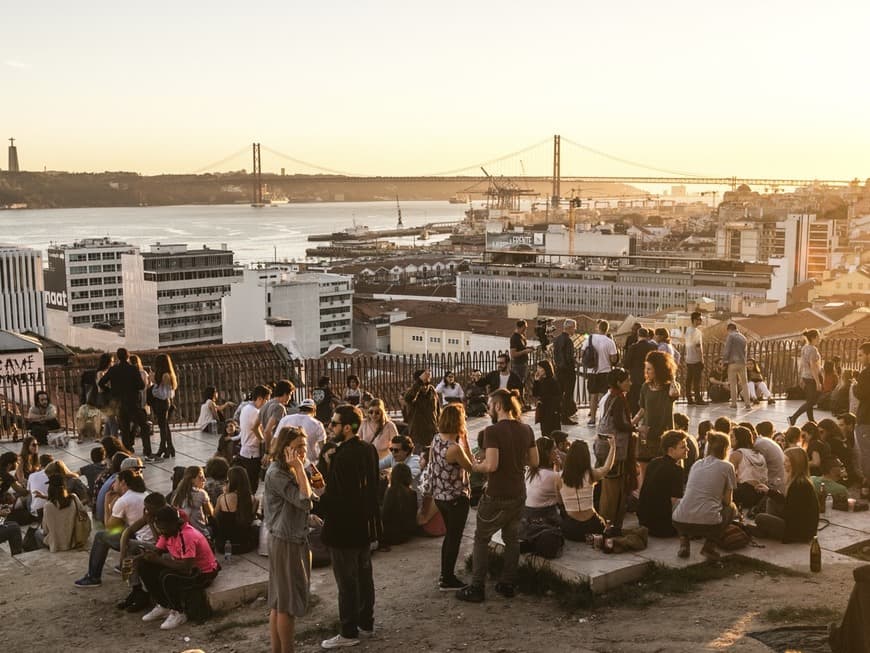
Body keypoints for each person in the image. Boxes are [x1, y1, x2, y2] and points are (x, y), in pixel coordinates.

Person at [457, 389, 538, 604]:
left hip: (496, 495)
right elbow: (535, 461)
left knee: (481, 539)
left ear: (499, 406)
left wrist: (476, 465)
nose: (488, 408)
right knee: (512, 539)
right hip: (518, 493)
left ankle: (477, 587)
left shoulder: (492, 431)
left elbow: (492, 465)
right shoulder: (527, 429)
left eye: (490, 404)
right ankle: (508, 583)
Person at [318, 405, 381, 649]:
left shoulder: (341, 456)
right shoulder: (368, 450)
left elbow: (335, 495)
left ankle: (348, 630)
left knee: (347, 582)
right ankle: (366, 623)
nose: (330, 427)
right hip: (363, 526)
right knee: (364, 578)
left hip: (343, 529)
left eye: (334, 423)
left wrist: (321, 489)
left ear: (347, 427)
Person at [264, 426, 315, 653]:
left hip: (286, 536)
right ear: (286, 448)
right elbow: (304, 500)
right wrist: (299, 469)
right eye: (298, 448)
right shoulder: (278, 472)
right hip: (286, 541)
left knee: (279, 602)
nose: (303, 452)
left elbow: (300, 503)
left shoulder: (285, 470)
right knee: (286, 604)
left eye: (304, 447)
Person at [138, 506, 220, 630]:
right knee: (144, 566)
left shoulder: (186, 535)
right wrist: (143, 558)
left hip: (203, 572)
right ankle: (163, 605)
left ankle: (179, 612)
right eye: (159, 528)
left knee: (167, 576)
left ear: (173, 524)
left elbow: (186, 567)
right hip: (187, 567)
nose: (161, 531)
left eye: (163, 528)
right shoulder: (168, 533)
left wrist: (159, 560)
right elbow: (157, 551)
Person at [75, 467, 151, 587]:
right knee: (123, 530)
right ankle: (121, 565)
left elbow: (109, 528)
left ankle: (93, 576)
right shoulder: (143, 493)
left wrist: (107, 503)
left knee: (101, 536)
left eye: (115, 481)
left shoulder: (124, 500)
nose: (113, 485)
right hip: (151, 540)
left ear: (123, 483)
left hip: (142, 544)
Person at [425, 402, 473, 591]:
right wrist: (466, 441)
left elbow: (430, 464)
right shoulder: (455, 448)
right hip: (456, 498)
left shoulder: (436, 439)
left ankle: (445, 574)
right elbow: (471, 467)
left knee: (449, 537)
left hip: (440, 496)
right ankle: (448, 578)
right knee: (454, 538)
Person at [671, 431, 737, 561]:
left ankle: (684, 542)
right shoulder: (727, 466)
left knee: (681, 503)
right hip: (709, 524)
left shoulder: (696, 464)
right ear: (725, 449)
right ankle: (709, 546)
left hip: (679, 521)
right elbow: (728, 501)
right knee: (732, 508)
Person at [595, 367, 637, 530]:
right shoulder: (618, 399)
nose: (630, 383)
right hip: (616, 450)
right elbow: (620, 424)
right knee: (614, 489)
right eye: (627, 380)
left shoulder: (609, 396)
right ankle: (609, 523)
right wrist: (635, 428)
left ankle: (607, 520)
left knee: (608, 486)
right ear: (619, 383)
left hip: (605, 448)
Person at [632, 350, 680, 487]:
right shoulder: (645, 387)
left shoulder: (669, 387)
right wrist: (631, 424)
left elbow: (675, 393)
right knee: (644, 472)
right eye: (646, 368)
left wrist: (672, 377)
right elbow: (642, 410)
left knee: (663, 473)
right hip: (646, 434)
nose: (646, 372)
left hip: (664, 434)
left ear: (659, 369)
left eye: (650, 369)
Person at [753, 447, 819, 543]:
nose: (784, 463)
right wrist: (769, 491)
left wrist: (773, 520)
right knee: (771, 500)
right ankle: (766, 531)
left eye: (787, 461)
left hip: (798, 533)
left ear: (796, 463)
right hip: (800, 527)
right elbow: (789, 504)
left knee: (760, 518)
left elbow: (790, 514)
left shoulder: (798, 485)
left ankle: (766, 531)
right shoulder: (800, 480)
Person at [559, 437, 616, 541]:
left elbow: (559, 501)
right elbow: (607, 468)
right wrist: (613, 447)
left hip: (570, 530)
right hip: (593, 526)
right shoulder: (591, 474)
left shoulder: (559, 478)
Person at [637, 430, 688, 537]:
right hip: (662, 527)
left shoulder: (654, 462)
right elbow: (675, 501)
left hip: (644, 521)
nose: (687, 449)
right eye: (683, 447)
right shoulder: (676, 470)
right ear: (671, 450)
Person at [98, 348, 146, 452]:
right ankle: (146, 450)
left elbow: (101, 383)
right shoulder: (133, 369)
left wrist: (110, 391)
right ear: (128, 356)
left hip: (119, 402)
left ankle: (126, 449)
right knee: (142, 424)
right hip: (132, 402)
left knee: (124, 427)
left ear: (118, 357)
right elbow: (141, 386)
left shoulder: (113, 369)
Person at [581, 320, 620, 426]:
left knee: (593, 395)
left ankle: (592, 419)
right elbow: (613, 359)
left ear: (598, 328)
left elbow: (582, 353)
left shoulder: (590, 338)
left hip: (592, 371)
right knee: (603, 396)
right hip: (605, 371)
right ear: (607, 329)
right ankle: (603, 417)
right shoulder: (609, 341)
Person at [214, 465, 259, 554]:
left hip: (224, 546)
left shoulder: (222, 498)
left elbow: (214, 516)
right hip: (244, 546)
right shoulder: (254, 500)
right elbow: (250, 519)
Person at [237, 384, 271, 493]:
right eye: (267, 400)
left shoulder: (246, 408)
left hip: (244, 451)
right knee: (252, 486)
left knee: (247, 485)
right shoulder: (256, 412)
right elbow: (256, 429)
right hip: (252, 453)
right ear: (260, 398)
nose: (267, 403)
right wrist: (263, 442)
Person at [41, 474, 85, 552]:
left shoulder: (48, 506)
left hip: (56, 545)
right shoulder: (74, 498)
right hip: (73, 541)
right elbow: (84, 516)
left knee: (37, 534)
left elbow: (45, 530)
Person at [729, 426, 768, 510]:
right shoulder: (759, 454)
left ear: (738, 439)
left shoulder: (736, 454)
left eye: (732, 437)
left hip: (744, 493)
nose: (730, 439)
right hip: (760, 494)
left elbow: (729, 478)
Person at [789, 329, 823, 426]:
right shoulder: (813, 349)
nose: (819, 339)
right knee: (812, 401)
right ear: (813, 338)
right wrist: (818, 382)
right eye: (818, 337)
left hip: (806, 376)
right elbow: (813, 366)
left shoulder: (804, 348)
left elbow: (802, 364)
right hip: (812, 377)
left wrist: (801, 377)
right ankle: (793, 417)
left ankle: (811, 421)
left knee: (809, 400)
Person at [149, 352, 178, 459]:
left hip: (163, 402)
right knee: (164, 426)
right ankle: (169, 448)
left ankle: (163, 448)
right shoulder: (167, 374)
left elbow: (164, 393)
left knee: (163, 427)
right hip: (163, 402)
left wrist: (155, 381)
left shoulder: (165, 375)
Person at [624, 327, 659, 415]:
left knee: (634, 399)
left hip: (635, 377)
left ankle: (635, 416)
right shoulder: (653, 347)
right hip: (649, 377)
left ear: (638, 335)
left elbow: (627, 363)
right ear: (647, 336)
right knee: (648, 398)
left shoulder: (633, 347)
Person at [170, 466, 213, 537]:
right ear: (192, 480)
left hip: (183, 532)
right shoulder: (201, 493)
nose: (204, 480)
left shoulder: (176, 494)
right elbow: (210, 512)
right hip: (199, 532)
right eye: (200, 477)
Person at [403, 369, 440, 452]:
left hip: (432, 433)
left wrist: (438, 427)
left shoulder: (432, 391)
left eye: (427, 383)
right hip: (418, 436)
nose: (425, 386)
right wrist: (420, 381)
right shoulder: (412, 392)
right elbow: (408, 398)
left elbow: (437, 411)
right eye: (422, 384)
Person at [381, 463, 418, 546]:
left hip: (391, 535)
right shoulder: (413, 493)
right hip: (406, 535)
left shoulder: (391, 491)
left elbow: (385, 514)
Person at [552, 319, 579, 424]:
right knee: (568, 394)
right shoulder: (568, 341)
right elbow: (568, 357)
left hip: (559, 370)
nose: (575, 329)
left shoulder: (557, 339)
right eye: (574, 327)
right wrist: (574, 361)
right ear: (570, 328)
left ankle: (558, 414)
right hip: (567, 371)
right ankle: (565, 417)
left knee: (559, 394)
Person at [721, 323, 752, 411]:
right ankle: (748, 404)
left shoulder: (731, 336)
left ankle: (734, 403)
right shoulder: (743, 337)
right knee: (745, 384)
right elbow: (745, 352)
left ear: (729, 329)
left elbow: (727, 350)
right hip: (742, 363)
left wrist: (724, 361)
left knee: (733, 384)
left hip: (732, 363)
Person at [261, 379, 295, 454]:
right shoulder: (279, 407)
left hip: (265, 444)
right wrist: (268, 451)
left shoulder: (266, 405)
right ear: (286, 394)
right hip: (275, 447)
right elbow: (267, 431)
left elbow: (259, 426)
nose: (290, 398)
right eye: (290, 394)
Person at [754, 421, 786, 493]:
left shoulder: (761, 444)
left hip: (775, 486)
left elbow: (757, 469)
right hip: (778, 483)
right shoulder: (767, 443)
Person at [532, 360, 561, 437]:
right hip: (543, 410)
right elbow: (535, 393)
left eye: (540, 368)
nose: (538, 370)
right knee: (545, 432)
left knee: (553, 433)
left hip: (551, 411)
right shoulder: (541, 381)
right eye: (537, 368)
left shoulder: (552, 381)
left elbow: (557, 396)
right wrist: (536, 381)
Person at [509, 319, 535, 407]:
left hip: (523, 364)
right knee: (518, 384)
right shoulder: (514, 338)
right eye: (524, 328)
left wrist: (528, 348)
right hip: (518, 365)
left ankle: (522, 403)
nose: (525, 330)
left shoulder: (522, 336)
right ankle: (518, 404)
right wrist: (525, 351)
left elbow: (521, 348)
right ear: (519, 327)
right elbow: (513, 354)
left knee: (522, 384)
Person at [684, 311, 707, 405]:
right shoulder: (697, 332)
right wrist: (701, 359)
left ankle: (689, 398)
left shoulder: (688, 330)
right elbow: (698, 347)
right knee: (696, 380)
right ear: (694, 320)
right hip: (696, 359)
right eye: (699, 319)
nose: (701, 321)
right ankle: (698, 399)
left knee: (689, 380)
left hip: (689, 358)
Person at [857, 342, 870, 496]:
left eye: (860, 355)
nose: (859, 358)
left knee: (866, 453)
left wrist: (854, 386)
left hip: (866, 419)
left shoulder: (865, 373)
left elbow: (862, 394)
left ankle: (867, 486)